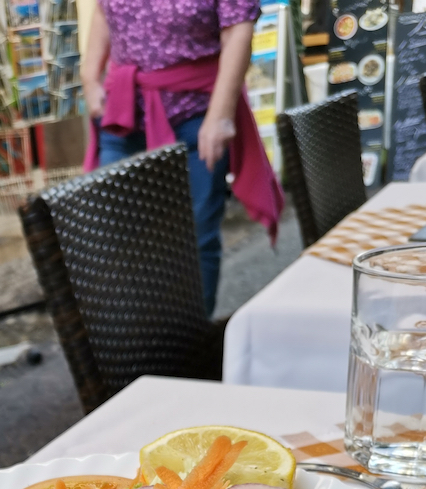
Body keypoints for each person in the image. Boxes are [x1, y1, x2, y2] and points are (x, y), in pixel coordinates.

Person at [81, 0, 283, 315]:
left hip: (195, 114)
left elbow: (238, 31)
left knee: (195, 237)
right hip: (124, 114)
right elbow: (103, 11)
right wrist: (90, 77)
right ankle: (135, 342)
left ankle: (190, 346)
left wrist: (220, 115)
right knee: (115, 236)